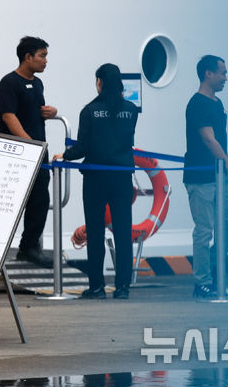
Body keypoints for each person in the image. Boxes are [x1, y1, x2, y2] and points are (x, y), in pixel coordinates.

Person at [53, 63, 138, 299]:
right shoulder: (131, 110)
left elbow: (83, 147)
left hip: (96, 179)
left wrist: (65, 155)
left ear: (99, 82)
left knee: (95, 231)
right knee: (122, 232)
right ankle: (122, 287)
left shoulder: (89, 111)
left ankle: (97, 287)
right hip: (122, 177)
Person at [184, 55, 228, 298]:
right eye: (222, 73)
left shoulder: (217, 103)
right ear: (208, 74)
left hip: (221, 173)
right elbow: (209, 139)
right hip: (201, 175)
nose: (226, 78)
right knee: (204, 229)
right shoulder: (197, 104)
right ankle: (203, 283)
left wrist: (227, 169)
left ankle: (211, 264)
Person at [0, 36, 58, 267]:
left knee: (40, 200)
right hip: (17, 153)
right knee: (8, 203)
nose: (46, 61)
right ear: (28, 57)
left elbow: (34, 111)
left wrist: (51, 112)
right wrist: (29, 144)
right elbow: (8, 116)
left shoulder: (38, 83)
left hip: (38, 152)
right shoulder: (8, 83)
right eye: (42, 56)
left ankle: (29, 247)